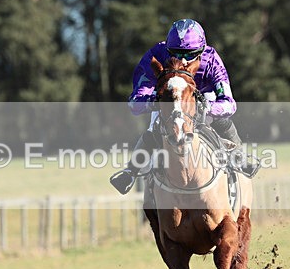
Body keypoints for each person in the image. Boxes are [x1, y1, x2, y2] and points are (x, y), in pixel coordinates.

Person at [109, 18, 256, 195]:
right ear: (168, 50)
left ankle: (240, 156)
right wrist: (157, 101)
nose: (183, 61)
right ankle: (130, 172)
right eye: (177, 54)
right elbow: (134, 103)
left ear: (201, 51)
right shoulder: (155, 55)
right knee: (154, 127)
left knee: (221, 119)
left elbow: (229, 104)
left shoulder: (211, 59)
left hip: (202, 97)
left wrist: (207, 107)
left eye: (190, 54)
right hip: (169, 98)